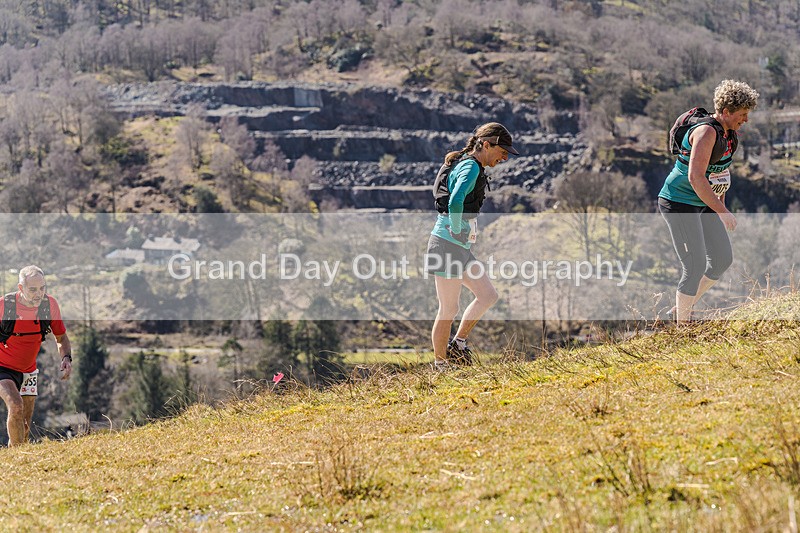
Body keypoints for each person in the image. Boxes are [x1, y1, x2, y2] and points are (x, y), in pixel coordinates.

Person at [658, 80, 759, 323]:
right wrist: (722, 211)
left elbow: (719, 173)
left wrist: (720, 203)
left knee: (722, 259)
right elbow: (695, 177)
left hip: (705, 202)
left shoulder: (729, 135)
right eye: (742, 114)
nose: (745, 119)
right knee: (694, 266)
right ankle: (682, 327)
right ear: (725, 112)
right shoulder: (706, 132)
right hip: (679, 202)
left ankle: (681, 310)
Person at [426, 122, 519, 371]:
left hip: (457, 247)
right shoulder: (470, 167)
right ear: (486, 144)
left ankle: (458, 343)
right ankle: (440, 365)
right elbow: (456, 200)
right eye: (502, 150)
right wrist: (457, 227)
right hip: (446, 244)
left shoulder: (470, 164)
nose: (505, 156)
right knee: (448, 308)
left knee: (488, 295)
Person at [0, 266, 72, 446]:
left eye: (42, 288)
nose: (38, 294)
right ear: (20, 288)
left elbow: (61, 337)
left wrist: (66, 359)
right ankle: (17, 459)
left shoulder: (49, 306)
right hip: (2, 367)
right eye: (32, 289)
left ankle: (18, 456)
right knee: (15, 406)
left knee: (24, 425)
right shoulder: (4, 306)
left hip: (29, 371)